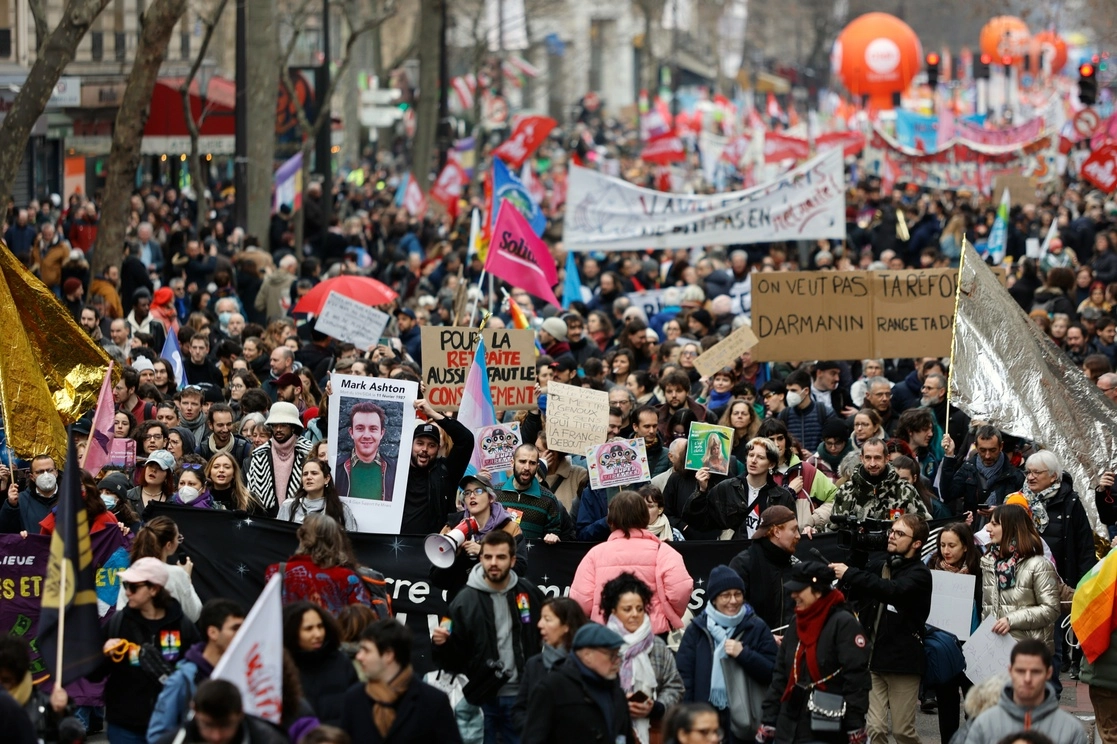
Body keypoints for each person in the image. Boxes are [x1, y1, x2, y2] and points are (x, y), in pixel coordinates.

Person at [431, 530, 545, 744]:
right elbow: (447, 658)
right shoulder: (462, 601)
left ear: (512, 561)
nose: (494, 563)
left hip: (522, 696)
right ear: (481, 558)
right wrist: (440, 644)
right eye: (488, 556)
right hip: (480, 697)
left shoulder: (528, 593)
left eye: (501, 557)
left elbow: (544, 636)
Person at [830, 514, 932, 744]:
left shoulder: (920, 575)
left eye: (900, 534)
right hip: (873, 659)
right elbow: (857, 590)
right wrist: (855, 559)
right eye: (891, 532)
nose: (892, 537)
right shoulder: (880, 566)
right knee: (875, 728)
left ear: (916, 543)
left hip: (902, 662)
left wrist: (851, 573)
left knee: (902, 731)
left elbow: (891, 590)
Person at [757, 562, 870, 743]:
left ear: (818, 591)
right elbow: (781, 673)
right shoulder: (797, 621)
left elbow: (856, 679)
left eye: (800, 590)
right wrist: (769, 718)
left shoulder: (843, 623)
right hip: (788, 724)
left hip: (825, 725)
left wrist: (855, 725)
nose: (794, 595)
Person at [101, 557, 201, 744]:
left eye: (133, 587)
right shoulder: (117, 624)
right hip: (125, 727)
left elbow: (198, 670)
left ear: (154, 589)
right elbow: (94, 674)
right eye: (125, 585)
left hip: (170, 726)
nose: (127, 592)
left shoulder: (182, 625)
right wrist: (103, 655)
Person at [676, 566, 778, 743]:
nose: (733, 600)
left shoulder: (756, 627)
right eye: (726, 595)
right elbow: (685, 678)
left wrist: (744, 654)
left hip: (747, 722)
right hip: (705, 722)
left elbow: (774, 673)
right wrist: (690, 719)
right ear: (714, 599)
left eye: (737, 594)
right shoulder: (697, 630)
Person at [570, 491, 693, 636]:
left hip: (606, 634)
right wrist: (668, 614)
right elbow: (681, 590)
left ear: (611, 520)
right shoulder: (663, 551)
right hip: (654, 633)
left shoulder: (595, 554)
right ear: (645, 517)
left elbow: (581, 600)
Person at [339, 618, 462, 743]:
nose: (359, 656)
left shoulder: (433, 702)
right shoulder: (354, 698)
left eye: (366, 650)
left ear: (388, 655)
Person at [597, 573, 684, 744]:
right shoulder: (601, 646)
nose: (635, 614)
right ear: (613, 611)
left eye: (640, 608)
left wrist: (656, 707)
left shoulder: (657, 645)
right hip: (607, 731)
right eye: (627, 609)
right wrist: (619, 705)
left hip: (651, 732)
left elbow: (675, 686)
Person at [147, 599, 246, 743]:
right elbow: (158, 735)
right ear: (213, 632)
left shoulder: (245, 674)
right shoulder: (182, 680)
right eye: (235, 628)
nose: (242, 634)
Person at [520, 623, 634, 744]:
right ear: (587, 655)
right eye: (611, 655)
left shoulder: (615, 691)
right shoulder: (553, 688)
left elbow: (624, 735)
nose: (617, 662)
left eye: (618, 655)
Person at [961, 640, 1087, 744]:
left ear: (1048, 673)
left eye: (1035, 672)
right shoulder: (984, 724)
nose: (1027, 679)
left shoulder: (1071, 730)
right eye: (1021, 671)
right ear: (1010, 671)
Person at [925, 523, 983, 743]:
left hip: (973, 647)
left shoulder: (980, 570)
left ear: (966, 547)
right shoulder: (931, 569)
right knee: (947, 708)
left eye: (952, 545)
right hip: (943, 647)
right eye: (942, 545)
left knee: (974, 708)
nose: (946, 551)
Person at [981, 505, 1060, 650]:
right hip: (995, 651)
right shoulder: (989, 562)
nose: (987, 528)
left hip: (1029, 653)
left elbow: (1051, 609)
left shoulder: (1038, 565)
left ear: (1012, 528)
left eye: (994, 524)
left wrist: (1010, 620)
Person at [431, 473, 524, 597]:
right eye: (467, 493)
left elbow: (520, 569)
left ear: (491, 497)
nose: (472, 496)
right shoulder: (452, 527)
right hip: (462, 603)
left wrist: (484, 552)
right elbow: (437, 579)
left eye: (478, 491)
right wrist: (454, 556)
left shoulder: (510, 528)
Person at [683, 437, 795, 539]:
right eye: (751, 455)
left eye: (760, 457)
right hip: (734, 554)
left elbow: (791, 532)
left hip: (767, 555)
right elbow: (699, 522)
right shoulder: (727, 488)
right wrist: (701, 491)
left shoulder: (783, 496)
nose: (753, 460)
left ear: (771, 465)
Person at [265, 513, 373, 613]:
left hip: (286, 633)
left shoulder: (277, 572)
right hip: (334, 633)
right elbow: (363, 618)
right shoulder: (348, 578)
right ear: (336, 540)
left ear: (302, 538)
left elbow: (267, 613)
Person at [1018, 450, 1097, 587]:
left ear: (1053, 476)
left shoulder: (1070, 502)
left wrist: (1083, 586)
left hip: (1061, 583)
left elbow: (1084, 547)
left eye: (1037, 472)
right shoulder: (1018, 500)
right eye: (1028, 472)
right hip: (1025, 582)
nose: (1030, 477)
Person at [511, 597, 588, 731]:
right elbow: (519, 710)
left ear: (566, 626)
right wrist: (534, 729)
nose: (540, 624)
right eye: (541, 618)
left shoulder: (586, 664)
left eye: (547, 619)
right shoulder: (534, 664)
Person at [399, 399, 473, 535]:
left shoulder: (446, 471)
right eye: (420, 443)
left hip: (435, 548)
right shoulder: (397, 470)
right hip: (397, 546)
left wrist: (432, 413)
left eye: (431, 445)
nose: (424, 449)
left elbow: (466, 439)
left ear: (438, 448)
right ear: (411, 445)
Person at [728, 505, 800, 635]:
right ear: (776, 532)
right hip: (753, 648)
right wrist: (765, 637)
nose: (798, 536)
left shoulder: (795, 565)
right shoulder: (743, 564)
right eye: (794, 530)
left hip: (790, 648)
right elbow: (731, 611)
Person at [284, 601, 358, 726]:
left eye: (320, 626)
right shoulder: (283, 668)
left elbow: (357, 710)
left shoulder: (341, 662)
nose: (318, 634)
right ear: (292, 631)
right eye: (308, 629)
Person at [117, 516, 203, 622]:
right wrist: (186, 578)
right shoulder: (177, 574)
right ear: (169, 545)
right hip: (171, 636)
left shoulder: (130, 574)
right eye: (178, 538)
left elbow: (120, 613)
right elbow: (193, 614)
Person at [828, 438, 930, 525]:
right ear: (861, 458)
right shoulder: (846, 491)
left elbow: (924, 525)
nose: (872, 463)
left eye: (877, 458)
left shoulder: (905, 490)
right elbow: (832, 529)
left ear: (887, 458)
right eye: (868, 458)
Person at [153, 679, 288, 744]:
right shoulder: (171, 742)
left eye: (225, 725)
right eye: (207, 725)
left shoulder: (271, 740)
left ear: (240, 714)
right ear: (194, 711)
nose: (216, 736)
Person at [0, 637, 75, 744]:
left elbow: (74, 736)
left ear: (21, 678)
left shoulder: (47, 706)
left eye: (6, 681)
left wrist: (61, 715)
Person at [939, 425, 1024, 519]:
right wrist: (949, 455)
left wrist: (1000, 511)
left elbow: (1022, 510)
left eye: (992, 450)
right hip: (973, 527)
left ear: (1001, 446)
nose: (987, 455)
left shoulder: (1014, 476)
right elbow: (948, 494)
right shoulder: (968, 469)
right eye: (982, 450)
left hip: (1003, 528)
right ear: (976, 446)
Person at [247, 402, 313, 515]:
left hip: (299, 518)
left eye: (283, 425)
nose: (278, 429)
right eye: (275, 425)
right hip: (266, 519)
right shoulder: (259, 454)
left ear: (293, 427)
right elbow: (251, 493)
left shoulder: (308, 453)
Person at [498, 444, 566, 542]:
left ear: (537, 466)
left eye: (532, 463)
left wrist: (553, 537)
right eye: (522, 461)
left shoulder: (548, 499)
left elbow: (554, 533)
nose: (527, 467)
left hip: (534, 556)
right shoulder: (495, 493)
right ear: (512, 463)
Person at [334, 401, 396, 502]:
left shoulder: (395, 470)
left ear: (382, 433)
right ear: (351, 432)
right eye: (360, 428)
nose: (366, 435)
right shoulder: (336, 468)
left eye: (373, 429)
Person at [277, 460, 357, 531]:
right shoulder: (288, 506)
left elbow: (351, 542)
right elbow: (277, 538)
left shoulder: (341, 509)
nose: (308, 477)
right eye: (305, 474)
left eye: (314, 473)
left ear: (326, 479)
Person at [0, 454, 59, 534]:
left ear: (56, 472)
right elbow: (5, 531)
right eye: (40, 472)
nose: (46, 475)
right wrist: (11, 506)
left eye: (49, 470)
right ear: (32, 477)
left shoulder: (69, 498)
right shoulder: (20, 500)